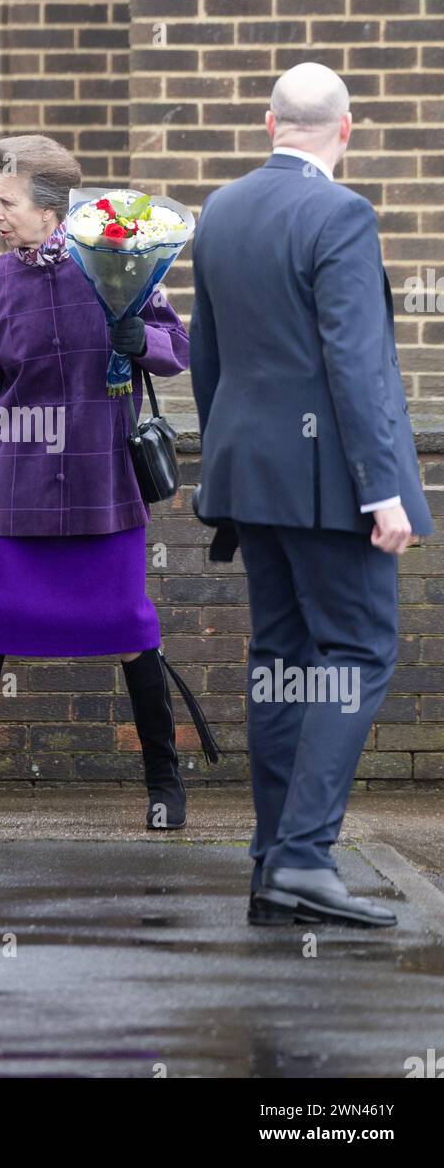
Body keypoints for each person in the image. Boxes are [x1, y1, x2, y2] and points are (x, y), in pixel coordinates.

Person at [190, 61, 433, 929]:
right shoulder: (341, 212)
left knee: (282, 661)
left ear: (269, 124)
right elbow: (357, 364)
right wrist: (385, 491)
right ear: (349, 128)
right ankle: (302, 858)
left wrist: (227, 462)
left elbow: (205, 355)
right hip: (331, 485)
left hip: (250, 478)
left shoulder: (221, 210)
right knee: (358, 654)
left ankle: (272, 861)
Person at [0, 133, 198, 834]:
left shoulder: (116, 266)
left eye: (4, 202)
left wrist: (147, 342)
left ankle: (165, 785)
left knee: (131, 625)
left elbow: (179, 348)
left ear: (51, 211)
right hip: (19, 491)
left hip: (107, 484)